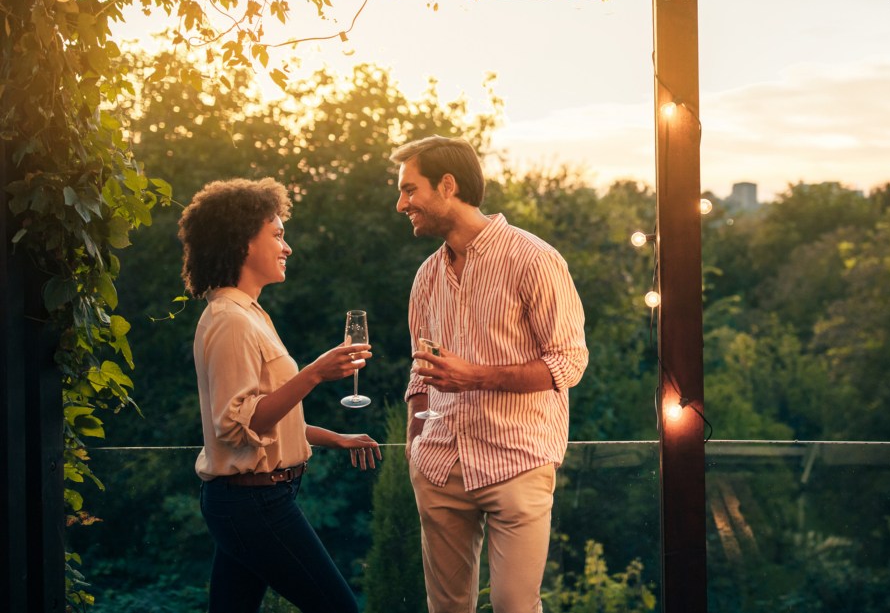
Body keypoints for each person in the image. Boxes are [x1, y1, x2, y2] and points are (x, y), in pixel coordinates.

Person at [393, 136, 588, 613]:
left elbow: (568, 362)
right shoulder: (426, 277)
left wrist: (475, 376)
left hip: (516, 463)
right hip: (439, 466)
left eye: (409, 190)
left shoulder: (534, 259)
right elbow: (421, 372)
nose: (401, 204)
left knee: (514, 607)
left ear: (447, 185)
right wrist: (416, 440)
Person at [178, 177, 383, 613]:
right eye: (277, 234)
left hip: (252, 499)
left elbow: (269, 419)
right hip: (253, 502)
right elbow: (238, 426)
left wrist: (336, 439)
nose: (287, 247)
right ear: (242, 243)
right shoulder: (230, 320)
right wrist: (313, 374)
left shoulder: (248, 315)